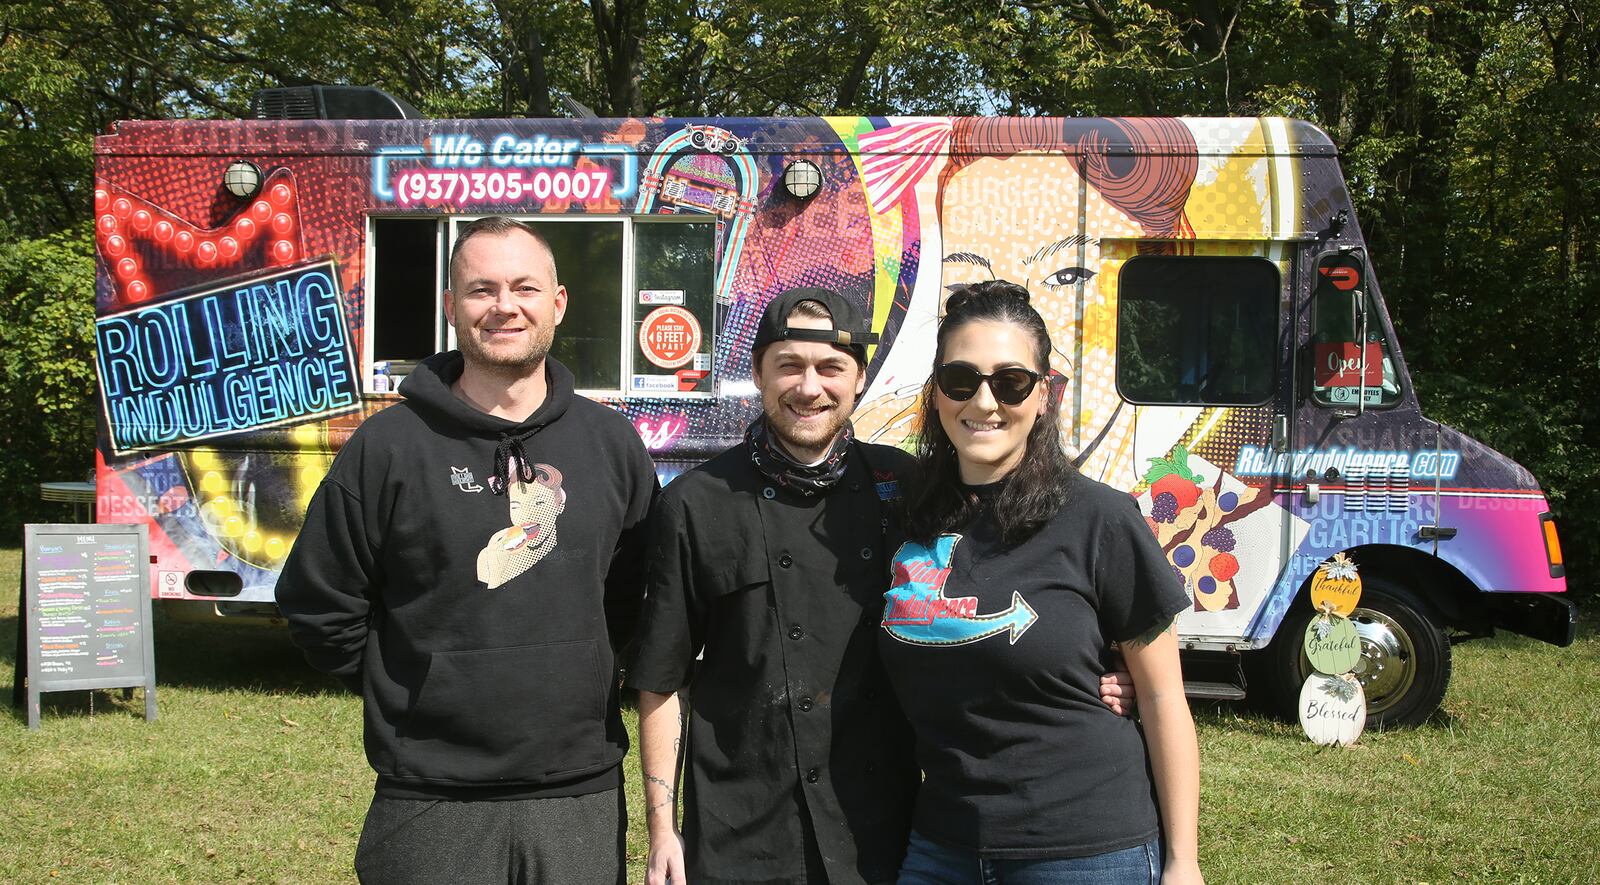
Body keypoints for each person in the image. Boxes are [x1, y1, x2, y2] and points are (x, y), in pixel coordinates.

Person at [627, 288, 1138, 885]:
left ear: (860, 377)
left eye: (830, 368)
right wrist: (662, 829)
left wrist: (1100, 668)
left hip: (879, 825)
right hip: (743, 825)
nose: (809, 387)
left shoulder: (907, 485)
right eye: (788, 365)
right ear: (758, 372)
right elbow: (662, 678)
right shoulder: (695, 502)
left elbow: (1008, 575)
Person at [276, 216, 657, 885]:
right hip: (429, 795)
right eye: (481, 289)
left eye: (524, 287)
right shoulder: (388, 446)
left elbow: (633, 597)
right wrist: (415, 687)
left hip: (577, 790)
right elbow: (319, 599)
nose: (504, 305)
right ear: (451, 306)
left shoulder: (612, 445)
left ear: (558, 303)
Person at [880, 280, 1202, 885]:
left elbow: (1162, 698)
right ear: (937, 394)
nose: (984, 402)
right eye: (961, 380)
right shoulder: (902, 513)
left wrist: (1184, 862)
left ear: (1045, 394)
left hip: (1085, 850)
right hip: (941, 844)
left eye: (1010, 381)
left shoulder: (1100, 519)